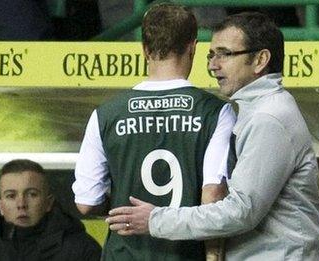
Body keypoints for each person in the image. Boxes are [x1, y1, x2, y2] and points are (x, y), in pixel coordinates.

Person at [106, 11, 319, 260]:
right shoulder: (254, 110)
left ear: (260, 59)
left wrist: (156, 220)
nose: (212, 65)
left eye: (225, 54)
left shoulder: (268, 118)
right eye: (211, 54)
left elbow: (242, 211)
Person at [72, 3, 235, 260]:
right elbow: (212, 195)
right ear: (193, 47)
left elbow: (85, 202)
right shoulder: (216, 112)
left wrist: (118, 205)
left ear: (145, 50)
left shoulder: (105, 115)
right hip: (183, 254)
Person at [0, 159, 101, 261]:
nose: (21, 204)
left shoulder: (82, 250)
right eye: (11, 196)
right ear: (0, 206)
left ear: (48, 203)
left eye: (32, 194)